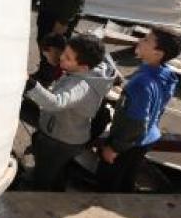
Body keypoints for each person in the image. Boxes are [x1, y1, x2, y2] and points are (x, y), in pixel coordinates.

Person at [24, 34, 117, 191]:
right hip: (71, 135)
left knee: (44, 173)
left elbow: (56, 102)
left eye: (67, 57)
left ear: (84, 67)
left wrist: (30, 84)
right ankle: (56, 187)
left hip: (61, 140)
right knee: (57, 169)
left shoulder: (81, 86)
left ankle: (38, 196)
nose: (61, 57)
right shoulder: (91, 70)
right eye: (64, 52)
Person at [96, 26, 181, 193]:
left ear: (158, 53)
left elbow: (135, 123)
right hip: (148, 137)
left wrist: (114, 148)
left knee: (108, 183)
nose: (139, 41)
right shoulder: (166, 74)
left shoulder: (141, 83)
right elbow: (157, 107)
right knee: (127, 178)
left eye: (146, 40)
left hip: (128, 143)